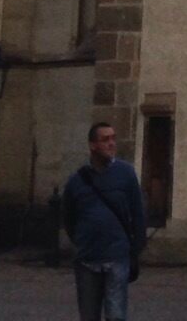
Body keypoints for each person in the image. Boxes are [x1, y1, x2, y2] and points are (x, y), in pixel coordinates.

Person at [62, 119, 147, 321]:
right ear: (93, 145)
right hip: (87, 259)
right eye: (105, 139)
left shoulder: (125, 174)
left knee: (116, 315)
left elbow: (138, 211)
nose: (112, 143)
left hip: (117, 257)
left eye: (113, 139)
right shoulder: (77, 181)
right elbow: (68, 217)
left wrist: (135, 248)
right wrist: (82, 240)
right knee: (89, 315)